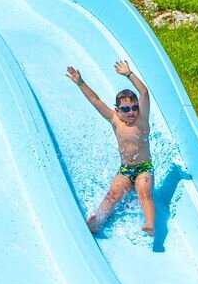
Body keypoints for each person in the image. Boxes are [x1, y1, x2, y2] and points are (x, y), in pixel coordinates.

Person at [66, 60, 155, 235]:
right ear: (118, 110)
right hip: (125, 170)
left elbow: (144, 92)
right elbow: (95, 100)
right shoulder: (115, 120)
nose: (131, 112)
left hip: (144, 168)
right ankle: (97, 221)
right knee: (112, 195)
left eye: (134, 107)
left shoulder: (142, 120)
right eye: (126, 109)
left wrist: (129, 74)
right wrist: (80, 83)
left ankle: (150, 224)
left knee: (144, 193)